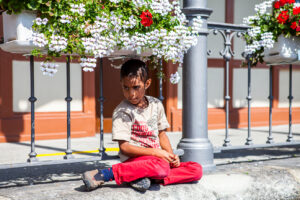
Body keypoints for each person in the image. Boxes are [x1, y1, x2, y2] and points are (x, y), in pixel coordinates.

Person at [82, 59, 202, 192]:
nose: (131, 94)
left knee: (196, 169)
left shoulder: (156, 104)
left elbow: (162, 134)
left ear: (147, 83)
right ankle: (106, 174)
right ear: (121, 84)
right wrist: (156, 152)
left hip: (157, 160)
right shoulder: (122, 112)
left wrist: (171, 156)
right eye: (126, 88)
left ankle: (142, 177)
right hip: (136, 160)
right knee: (160, 167)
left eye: (136, 87)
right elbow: (125, 147)